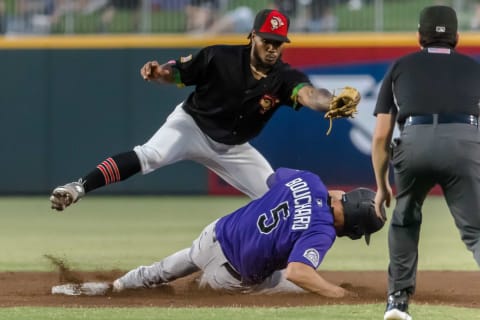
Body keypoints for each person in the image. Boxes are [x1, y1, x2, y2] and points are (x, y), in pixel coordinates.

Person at [50, 8, 361, 211]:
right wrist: (159, 73)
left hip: (233, 148)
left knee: (275, 199)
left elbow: (308, 94)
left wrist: (330, 102)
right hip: (191, 127)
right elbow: (179, 72)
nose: (272, 48)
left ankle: (269, 272)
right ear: (252, 36)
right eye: (267, 40)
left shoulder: (284, 77)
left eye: (278, 43)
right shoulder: (219, 57)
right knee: (150, 155)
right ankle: (80, 186)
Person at [53, 167, 386, 297]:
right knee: (297, 288)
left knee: (164, 269)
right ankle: (186, 291)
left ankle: (110, 288)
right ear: (354, 228)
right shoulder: (322, 232)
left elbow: (272, 182)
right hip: (232, 278)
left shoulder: (311, 180)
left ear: (344, 195)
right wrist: (341, 295)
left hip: (214, 234)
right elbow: (299, 272)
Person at [371, 5, 480, 320]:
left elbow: (380, 137)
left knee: (405, 220)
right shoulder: (474, 68)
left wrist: (382, 186)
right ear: (457, 37)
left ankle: (397, 302)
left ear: (419, 36)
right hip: (465, 142)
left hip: (415, 140)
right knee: (476, 231)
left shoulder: (400, 66)